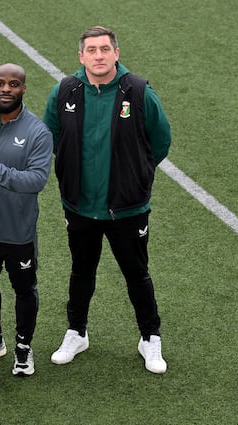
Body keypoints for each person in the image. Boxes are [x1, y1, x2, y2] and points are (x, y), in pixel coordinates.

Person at [43, 26, 172, 374]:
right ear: (81, 56)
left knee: (137, 275)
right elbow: (52, 137)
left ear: (116, 53)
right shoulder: (64, 91)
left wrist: (137, 174)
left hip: (127, 208)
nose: (98, 56)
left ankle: (150, 338)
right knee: (81, 272)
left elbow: (160, 141)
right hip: (80, 206)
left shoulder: (141, 92)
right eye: (91, 50)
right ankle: (77, 332)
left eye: (104, 49)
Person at [0, 63, 54, 377]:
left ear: (24, 89)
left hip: (17, 231)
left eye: (13, 84)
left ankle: (23, 347)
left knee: (24, 289)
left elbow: (37, 180)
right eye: (0, 83)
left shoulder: (37, 132)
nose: (6, 89)